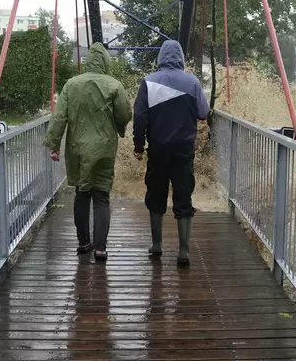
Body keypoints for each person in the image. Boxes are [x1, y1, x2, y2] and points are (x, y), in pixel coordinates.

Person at [44, 42, 132, 261]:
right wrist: (118, 128)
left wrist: (54, 144)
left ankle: (84, 242)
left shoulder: (71, 85)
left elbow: (59, 117)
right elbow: (124, 114)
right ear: (105, 62)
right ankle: (100, 247)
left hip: (78, 150)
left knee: (82, 194)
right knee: (101, 196)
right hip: (104, 149)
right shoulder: (114, 85)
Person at [132, 39, 209, 267]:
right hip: (184, 149)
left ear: (160, 58)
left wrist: (138, 146)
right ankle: (183, 251)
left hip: (157, 148)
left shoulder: (148, 82)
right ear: (181, 58)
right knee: (183, 196)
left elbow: (140, 118)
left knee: (156, 194)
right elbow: (203, 112)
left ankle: (157, 245)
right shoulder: (193, 82)